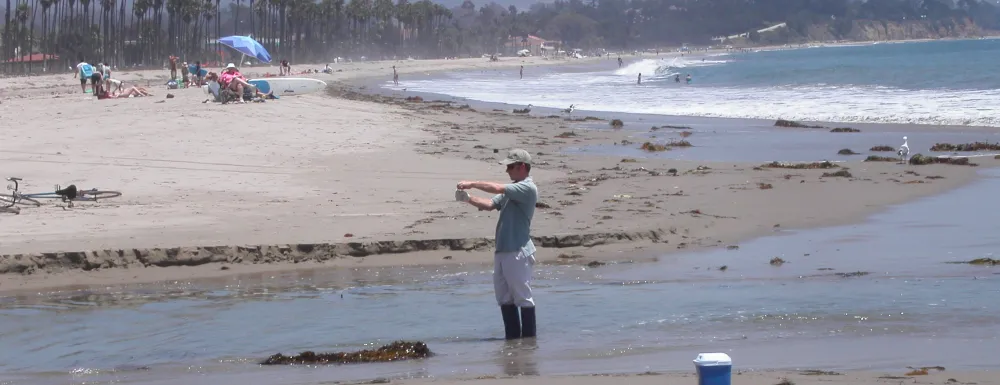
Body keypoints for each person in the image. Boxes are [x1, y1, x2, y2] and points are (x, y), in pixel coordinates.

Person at [456, 149, 538, 340]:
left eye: (511, 166)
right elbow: (490, 204)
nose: (507, 170)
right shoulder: (513, 189)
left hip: (518, 251)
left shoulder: (527, 188)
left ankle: (528, 346)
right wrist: (468, 199)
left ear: (522, 167)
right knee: (504, 299)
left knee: (523, 298)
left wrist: (472, 183)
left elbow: (498, 188)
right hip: (502, 251)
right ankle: (513, 343)